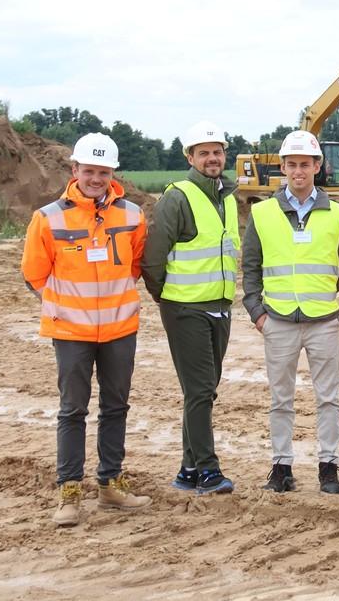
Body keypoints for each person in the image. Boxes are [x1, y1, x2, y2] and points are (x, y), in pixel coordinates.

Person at [22, 133, 152, 526]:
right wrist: (67, 306)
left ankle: (110, 484)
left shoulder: (131, 215)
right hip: (71, 333)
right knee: (72, 411)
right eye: (89, 171)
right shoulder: (48, 217)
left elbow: (135, 266)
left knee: (116, 407)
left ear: (113, 174)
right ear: (74, 170)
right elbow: (34, 274)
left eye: (103, 172)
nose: (96, 178)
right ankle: (70, 492)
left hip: (119, 329)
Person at [242, 130, 339, 494]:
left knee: (328, 398)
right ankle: (281, 468)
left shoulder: (338, 214)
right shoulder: (261, 214)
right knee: (281, 399)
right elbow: (250, 268)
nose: (298, 171)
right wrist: (257, 312)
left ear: (317, 166)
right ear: (282, 167)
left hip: (322, 321)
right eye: (291, 165)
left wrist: (323, 291)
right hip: (277, 320)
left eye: (305, 164)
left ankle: (329, 468)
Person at [141, 120, 239, 495]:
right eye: (204, 153)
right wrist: (167, 298)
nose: (212, 158)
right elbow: (153, 259)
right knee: (199, 390)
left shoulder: (226, 197)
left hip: (220, 306)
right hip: (185, 309)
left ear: (224, 154)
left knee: (204, 390)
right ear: (190, 157)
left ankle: (187, 469)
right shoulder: (177, 197)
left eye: (217, 151)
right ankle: (209, 472)